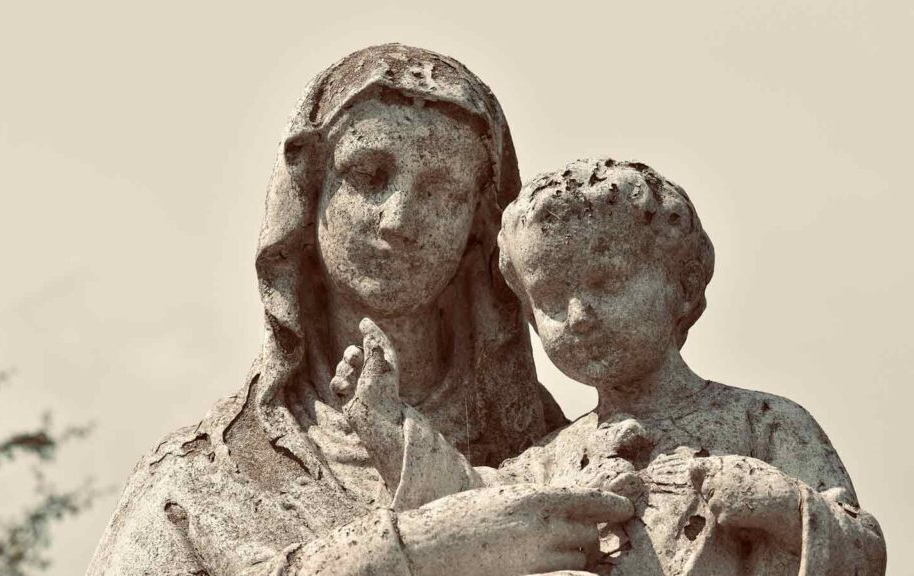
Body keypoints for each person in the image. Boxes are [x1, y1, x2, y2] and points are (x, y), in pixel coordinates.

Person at [87, 46, 633, 576]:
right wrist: (420, 550)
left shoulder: (566, 458)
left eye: (442, 191)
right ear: (311, 196)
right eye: (369, 176)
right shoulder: (199, 485)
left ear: (478, 227)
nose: (399, 219)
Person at [334, 158, 887, 575]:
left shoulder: (763, 424)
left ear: (683, 285)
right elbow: (473, 516)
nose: (577, 316)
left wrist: (784, 506)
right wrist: (389, 427)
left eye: (607, 282)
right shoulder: (550, 461)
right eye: (550, 297)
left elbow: (862, 549)